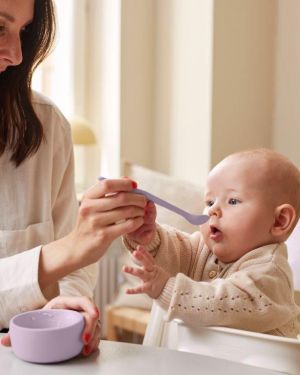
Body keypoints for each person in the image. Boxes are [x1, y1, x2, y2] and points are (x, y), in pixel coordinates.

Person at [0, 0, 146, 356]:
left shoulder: (48, 127)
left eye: (24, 31)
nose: (17, 55)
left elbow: (74, 269)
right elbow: (70, 249)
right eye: (0, 27)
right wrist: (68, 250)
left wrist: (68, 308)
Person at [122, 149, 300, 338]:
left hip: (258, 365)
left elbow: (226, 303)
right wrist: (149, 238)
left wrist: (166, 288)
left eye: (232, 200)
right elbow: (178, 250)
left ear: (279, 221)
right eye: (209, 201)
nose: (213, 210)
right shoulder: (202, 248)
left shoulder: (270, 272)